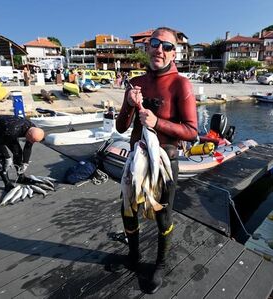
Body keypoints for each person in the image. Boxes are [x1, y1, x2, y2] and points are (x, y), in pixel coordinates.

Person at [115, 27, 198, 293]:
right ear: (148, 47)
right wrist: (129, 103)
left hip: (164, 161)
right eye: (154, 43)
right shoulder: (136, 82)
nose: (159, 49)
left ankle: (160, 264)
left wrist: (157, 122)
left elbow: (192, 131)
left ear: (175, 52)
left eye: (167, 46)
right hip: (136, 158)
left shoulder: (180, 84)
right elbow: (120, 127)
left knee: (163, 215)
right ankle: (134, 256)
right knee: (128, 210)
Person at [0, 115, 45, 192]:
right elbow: (0, 143)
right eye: (31, 140)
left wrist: (25, 163)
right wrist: (7, 158)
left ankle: (21, 177)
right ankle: (7, 184)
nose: (31, 142)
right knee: (2, 158)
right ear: (28, 134)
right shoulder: (12, 131)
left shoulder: (33, 129)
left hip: (6, 128)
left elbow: (28, 147)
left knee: (18, 152)